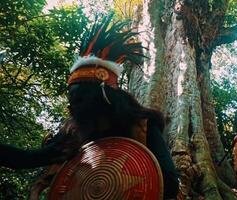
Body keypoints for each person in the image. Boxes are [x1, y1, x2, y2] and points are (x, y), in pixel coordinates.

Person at [0, 14, 179, 199]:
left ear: (101, 97)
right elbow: (27, 159)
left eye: (78, 101)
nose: (71, 108)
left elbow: (169, 182)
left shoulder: (142, 125)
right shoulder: (72, 134)